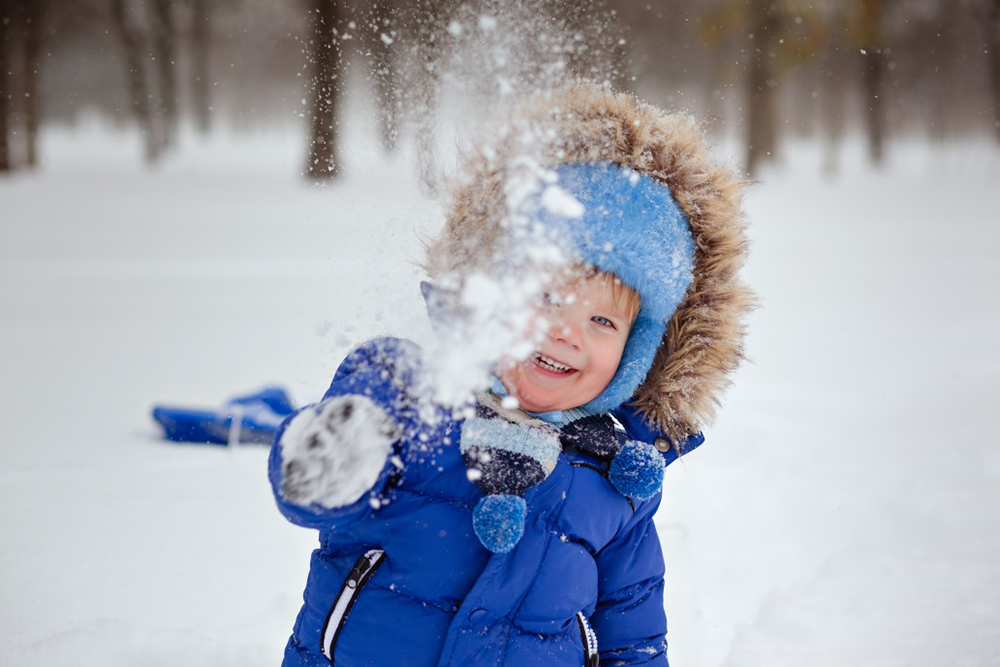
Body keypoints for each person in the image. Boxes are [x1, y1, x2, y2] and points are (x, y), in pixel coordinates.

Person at [268, 80, 752, 667]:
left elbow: (633, 632)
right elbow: (313, 495)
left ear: (636, 354)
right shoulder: (407, 395)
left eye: (602, 319)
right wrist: (334, 452)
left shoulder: (617, 484)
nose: (567, 332)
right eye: (545, 295)